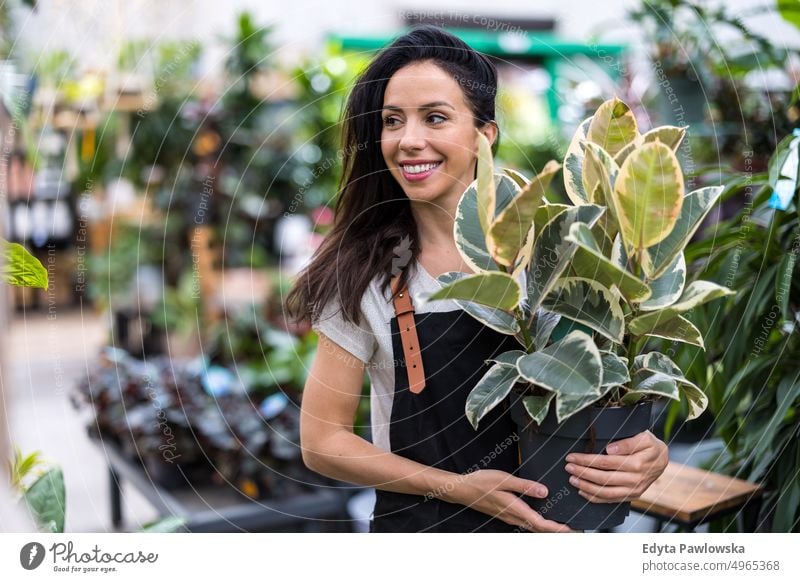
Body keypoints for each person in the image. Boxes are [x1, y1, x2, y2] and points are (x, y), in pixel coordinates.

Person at [285, 24, 668, 533]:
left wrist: (648, 450)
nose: (409, 140)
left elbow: (613, 390)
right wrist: (456, 488)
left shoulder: (561, 255)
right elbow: (322, 442)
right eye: (392, 121)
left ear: (484, 134)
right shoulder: (366, 273)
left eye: (435, 118)